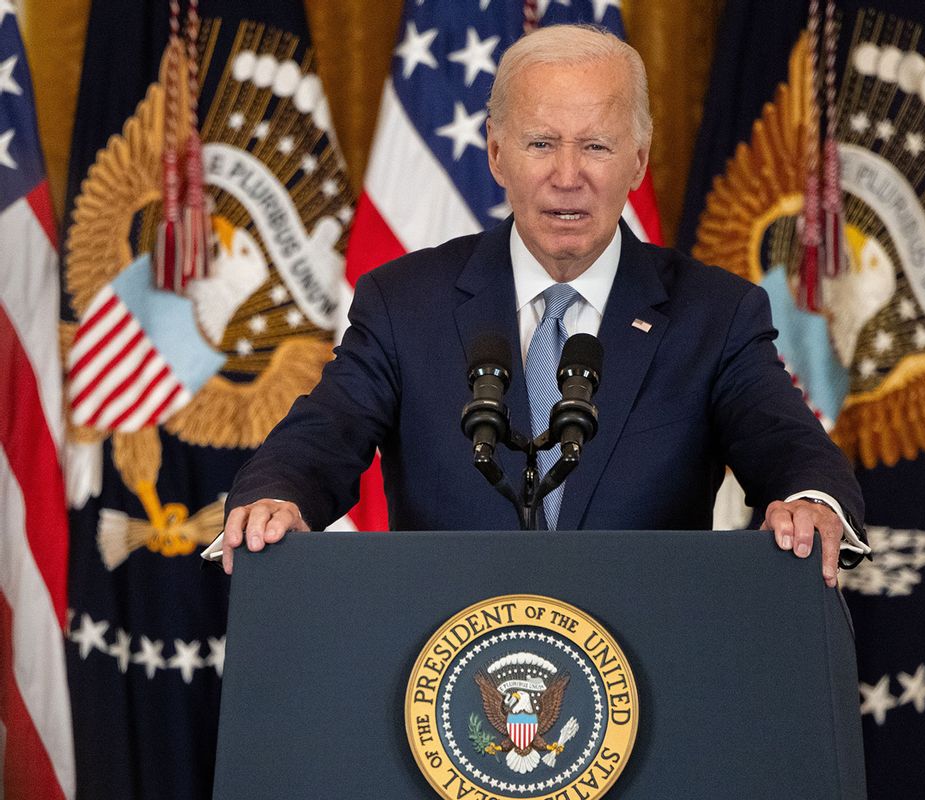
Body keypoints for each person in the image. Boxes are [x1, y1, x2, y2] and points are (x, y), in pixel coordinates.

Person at [210, 24, 869, 583]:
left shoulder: (713, 314)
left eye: (596, 146)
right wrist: (278, 498)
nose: (567, 176)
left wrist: (811, 501)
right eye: (541, 143)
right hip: (447, 671)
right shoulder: (403, 303)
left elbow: (786, 442)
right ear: (497, 153)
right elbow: (324, 435)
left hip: (643, 676)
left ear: (638, 161)